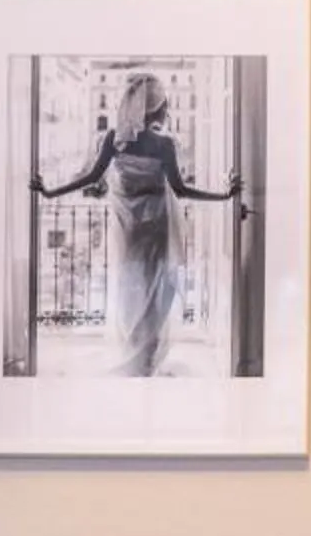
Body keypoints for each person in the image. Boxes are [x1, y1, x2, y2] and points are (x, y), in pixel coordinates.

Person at [33, 72, 242, 379]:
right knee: (156, 291)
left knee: (130, 289)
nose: (167, 110)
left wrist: (50, 192)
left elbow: (90, 178)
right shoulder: (165, 144)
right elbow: (182, 191)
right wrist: (224, 196)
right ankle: (146, 359)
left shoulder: (114, 139)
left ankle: (135, 356)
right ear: (154, 108)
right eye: (164, 104)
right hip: (156, 229)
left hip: (127, 230)